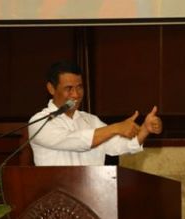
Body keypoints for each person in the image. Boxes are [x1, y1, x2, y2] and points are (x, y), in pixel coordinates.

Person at [28, 60, 162, 166]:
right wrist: (115, 128)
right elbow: (76, 141)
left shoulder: (91, 121)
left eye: (79, 87)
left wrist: (144, 129)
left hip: (92, 195)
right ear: (51, 88)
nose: (75, 95)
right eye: (68, 89)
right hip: (55, 197)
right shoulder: (40, 122)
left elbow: (119, 145)